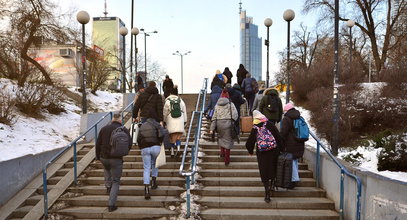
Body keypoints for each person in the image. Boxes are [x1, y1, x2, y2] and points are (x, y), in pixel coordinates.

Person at [95, 112, 132, 212]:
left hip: (104, 157)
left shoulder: (104, 128)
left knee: (107, 169)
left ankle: (108, 186)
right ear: (120, 120)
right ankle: (111, 205)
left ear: (112, 119)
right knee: (116, 181)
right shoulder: (124, 130)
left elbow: (98, 144)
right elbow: (130, 143)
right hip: (116, 159)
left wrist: (98, 157)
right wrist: (124, 152)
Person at [245, 110, 283, 203]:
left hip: (262, 152)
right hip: (273, 151)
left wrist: (250, 151)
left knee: (264, 171)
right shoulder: (269, 124)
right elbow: (278, 137)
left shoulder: (255, 127)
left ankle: (267, 193)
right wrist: (281, 149)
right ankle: (272, 185)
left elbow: (249, 142)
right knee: (273, 168)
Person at [137, 118, 165, 199]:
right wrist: (160, 142)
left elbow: (138, 138)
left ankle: (146, 189)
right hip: (155, 146)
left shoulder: (142, 126)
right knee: (155, 164)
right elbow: (162, 134)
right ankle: (153, 182)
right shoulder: (156, 124)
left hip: (145, 148)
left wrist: (141, 147)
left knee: (146, 168)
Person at [210, 89, 238, 165]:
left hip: (219, 123)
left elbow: (214, 116)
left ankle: (222, 152)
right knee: (228, 140)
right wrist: (233, 120)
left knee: (221, 137)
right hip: (228, 123)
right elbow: (235, 114)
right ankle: (227, 159)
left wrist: (212, 127)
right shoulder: (230, 104)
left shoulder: (217, 104)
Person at [280, 103, 304, 189]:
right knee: (295, 162)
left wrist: (280, 140)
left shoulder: (287, 118)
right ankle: (294, 178)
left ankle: (293, 180)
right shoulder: (299, 117)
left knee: (291, 163)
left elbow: (284, 132)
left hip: (290, 144)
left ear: (287, 110)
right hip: (299, 142)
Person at [163, 88, 187, 157]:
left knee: (171, 138)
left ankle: (172, 152)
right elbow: (184, 112)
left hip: (171, 121)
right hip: (180, 121)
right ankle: (178, 149)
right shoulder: (181, 101)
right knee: (178, 137)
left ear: (170, 93)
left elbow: (165, 113)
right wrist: (185, 121)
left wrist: (164, 121)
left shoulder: (167, 101)